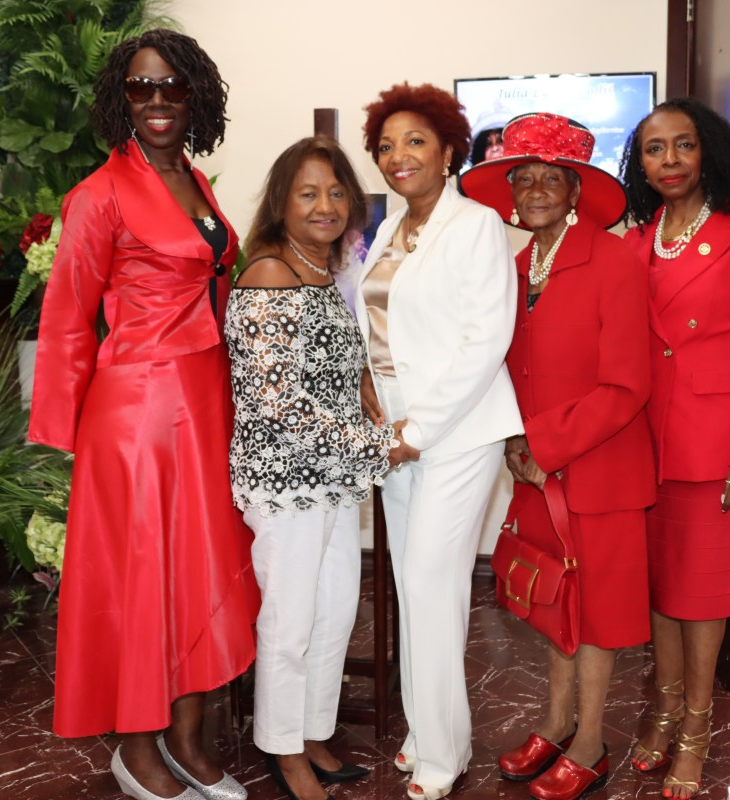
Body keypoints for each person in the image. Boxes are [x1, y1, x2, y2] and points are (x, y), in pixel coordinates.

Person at [28, 30, 260, 800]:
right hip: (133, 418)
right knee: (142, 581)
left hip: (201, 403)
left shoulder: (193, 180)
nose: (156, 100)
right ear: (120, 100)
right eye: (140, 88)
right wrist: (62, 439)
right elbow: (66, 318)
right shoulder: (97, 194)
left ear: (195, 94)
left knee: (196, 574)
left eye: (171, 86)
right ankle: (137, 746)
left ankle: (190, 743)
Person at [460, 113, 655, 800]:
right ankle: (556, 722)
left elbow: (629, 384)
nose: (537, 189)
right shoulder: (514, 268)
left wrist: (545, 444)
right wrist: (517, 441)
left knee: (596, 612)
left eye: (552, 178)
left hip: (598, 467)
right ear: (511, 190)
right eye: (525, 177)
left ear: (576, 192)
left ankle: (594, 740)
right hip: (536, 472)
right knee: (555, 604)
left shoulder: (614, 260)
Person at [224, 136, 418, 800]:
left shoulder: (319, 270)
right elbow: (276, 400)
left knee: (334, 613)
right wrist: (376, 448)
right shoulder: (270, 272)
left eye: (336, 191)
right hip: (285, 482)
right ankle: (283, 750)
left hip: (331, 476)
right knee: (291, 620)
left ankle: (312, 733)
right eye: (308, 192)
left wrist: (364, 381)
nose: (325, 204)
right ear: (281, 201)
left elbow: (328, 365)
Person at [619, 97, 730, 800]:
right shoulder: (637, 239)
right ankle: (663, 709)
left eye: (682, 145)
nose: (669, 161)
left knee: (702, 595)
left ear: (709, 151)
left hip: (715, 447)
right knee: (660, 590)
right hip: (644, 445)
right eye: (654, 149)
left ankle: (697, 727)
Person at [358, 82, 523, 800]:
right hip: (393, 433)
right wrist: (377, 414)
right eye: (387, 145)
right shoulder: (387, 231)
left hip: (456, 434)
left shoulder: (476, 225)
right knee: (411, 583)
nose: (399, 156)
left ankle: (444, 752)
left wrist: (417, 432)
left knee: (431, 582)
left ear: (450, 150)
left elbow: (485, 341)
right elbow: (379, 331)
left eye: (415, 141)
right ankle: (425, 731)